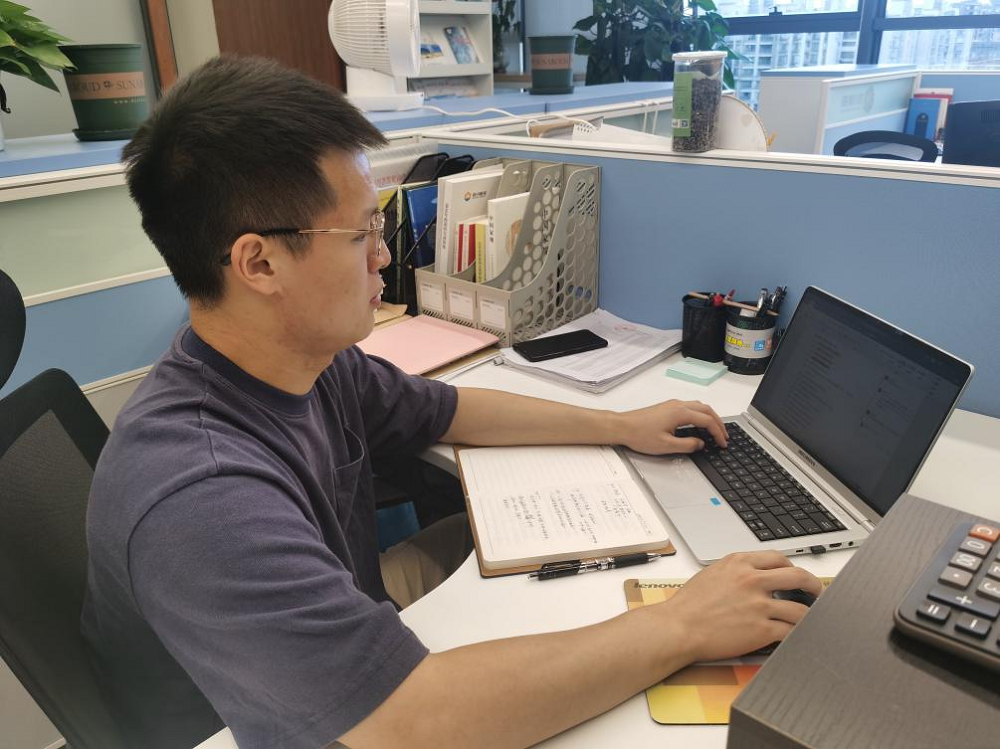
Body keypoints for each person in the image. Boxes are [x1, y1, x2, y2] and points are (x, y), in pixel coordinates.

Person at [82, 56, 822, 749]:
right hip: (267, 726)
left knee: (548, 573)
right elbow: (411, 722)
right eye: (362, 232)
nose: (384, 255)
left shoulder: (302, 362)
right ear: (259, 262)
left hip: (346, 635)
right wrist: (684, 624)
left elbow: (451, 411)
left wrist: (618, 425)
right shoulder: (203, 496)